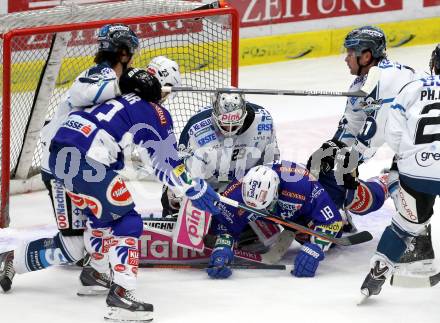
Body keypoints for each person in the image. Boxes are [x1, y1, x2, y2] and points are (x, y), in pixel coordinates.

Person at [0, 23, 162, 294]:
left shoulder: (113, 80)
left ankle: (96, 271)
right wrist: (128, 82)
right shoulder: (100, 74)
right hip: (64, 167)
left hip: (84, 165)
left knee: (102, 224)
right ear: (124, 51)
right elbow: (82, 93)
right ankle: (11, 261)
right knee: (75, 245)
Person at [306, 26, 432, 271]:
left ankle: (416, 238)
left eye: (350, 52)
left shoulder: (388, 76)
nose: (346, 58)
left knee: (404, 179)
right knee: (329, 165)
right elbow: (350, 126)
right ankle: (338, 218)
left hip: (423, 140)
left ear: (366, 55)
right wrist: (331, 149)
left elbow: (377, 126)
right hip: (404, 136)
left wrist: (353, 160)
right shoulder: (362, 83)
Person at [359, 44, 440, 300]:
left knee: (405, 225)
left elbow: (393, 133)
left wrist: (409, 158)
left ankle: (378, 272)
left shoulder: (413, 87)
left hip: (416, 171)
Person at [161, 90, 280, 249]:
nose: (229, 129)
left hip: (241, 191)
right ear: (214, 115)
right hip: (207, 189)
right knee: (174, 193)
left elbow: (272, 162)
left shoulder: (264, 120)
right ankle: (179, 220)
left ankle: (239, 229)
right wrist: (187, 190)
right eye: (224, 123)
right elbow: (180, 166)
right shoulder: (197, 127)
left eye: (235, 124)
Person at [205, 161, 343, 279]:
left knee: (352, 202)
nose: (260, 210)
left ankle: (347, 207)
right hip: (279, 216)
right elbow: (224, 224)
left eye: (265, 206)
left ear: (276, 192)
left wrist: (315, 248)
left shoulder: (301, 184)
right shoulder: (235, 192)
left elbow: (331, 221)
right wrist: (221, 249)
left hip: (311, 203)